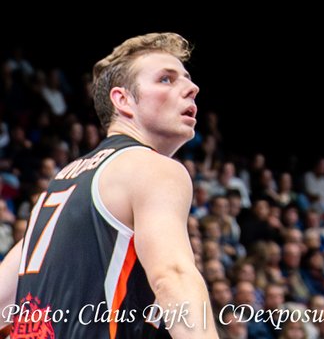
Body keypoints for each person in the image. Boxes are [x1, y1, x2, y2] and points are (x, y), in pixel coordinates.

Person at [0, 32, 220, 339]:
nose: (192, 88)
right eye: (166, 79)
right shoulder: (152, 167)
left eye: (188, 79)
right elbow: (173, 277)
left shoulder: (60, 184)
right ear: (123, 100)